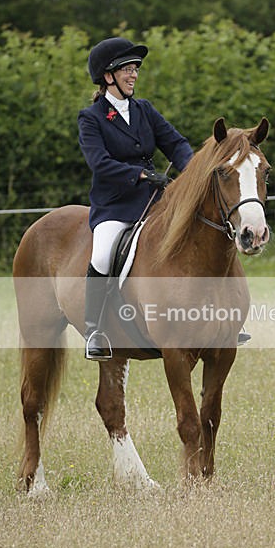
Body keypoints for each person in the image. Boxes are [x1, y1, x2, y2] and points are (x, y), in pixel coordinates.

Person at [78, 37, 194, 360]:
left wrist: (193, 171)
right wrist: (141, 175)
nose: (133, 75)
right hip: (115, 206)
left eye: (135, 69)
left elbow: (177, 143)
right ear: (108, 76)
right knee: (102, 254)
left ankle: (211, 322)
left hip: (155, 202)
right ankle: (94, 330)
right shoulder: (91, 118)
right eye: (127, 69)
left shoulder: (144, 110)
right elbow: (98, 162)